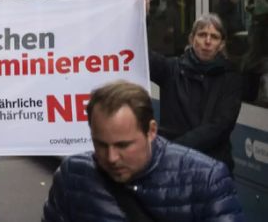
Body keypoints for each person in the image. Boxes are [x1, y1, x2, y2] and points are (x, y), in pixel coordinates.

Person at [42, 80, 244, 221]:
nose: (111, 158)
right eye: (101, 144)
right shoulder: (72, 176)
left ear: (151, 131)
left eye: (123, 145)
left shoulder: (206, 180)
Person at [148, 11, 243, 172]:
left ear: (221, 44)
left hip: (212, 168)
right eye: (202, 35)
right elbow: (141, 54)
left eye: (214, 37)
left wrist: (173, 149)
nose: (207, 41)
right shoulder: (171, 69)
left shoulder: (231, 79)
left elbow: (220, 126)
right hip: (173, 167)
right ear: (192, 39)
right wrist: (143, 15)